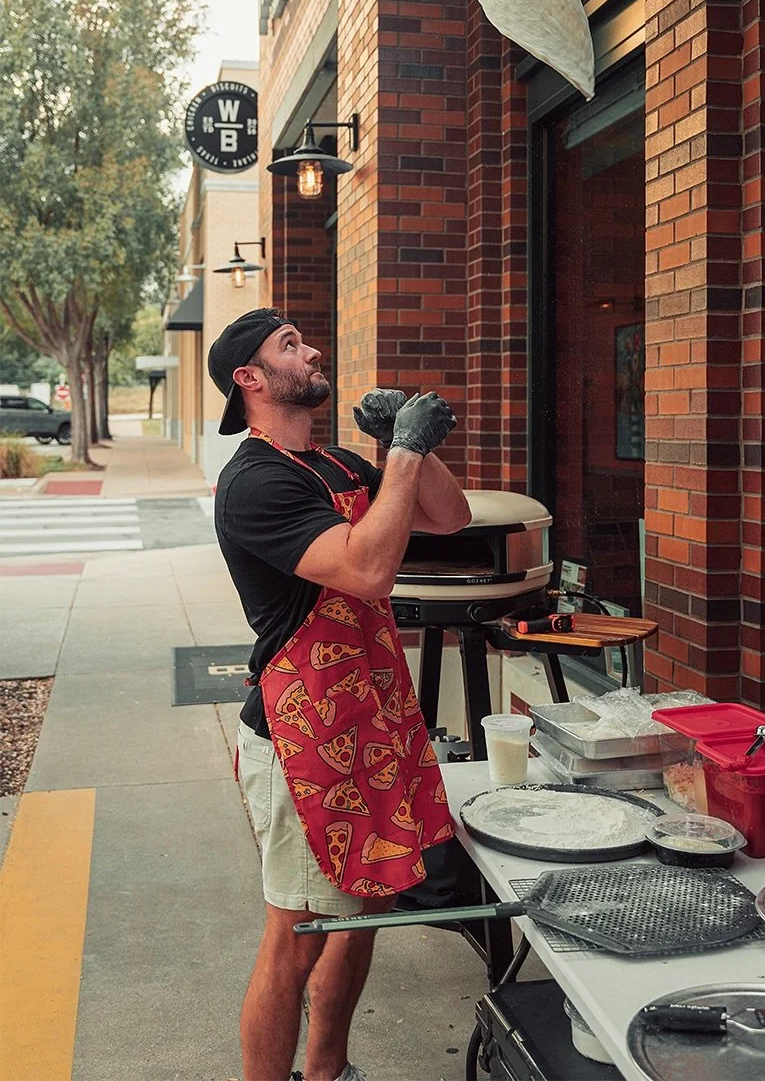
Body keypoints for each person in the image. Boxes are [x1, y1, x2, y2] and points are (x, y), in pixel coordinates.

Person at [208, 308, 471, 1081]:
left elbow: (448, 517)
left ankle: (327, 1069)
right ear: (250, 379)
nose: (313, 349)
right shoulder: (254, 483)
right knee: (296, 936)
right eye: (289, 345)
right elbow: (366, 570)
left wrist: (400, 448)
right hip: (303, 740)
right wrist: (406, 452)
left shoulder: (336, 463)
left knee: (368, 905)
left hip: (373, 724)